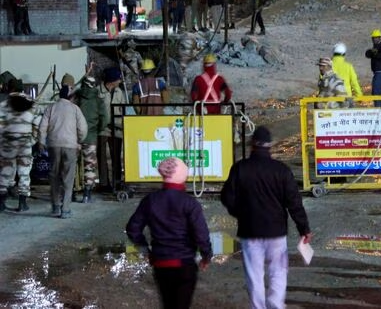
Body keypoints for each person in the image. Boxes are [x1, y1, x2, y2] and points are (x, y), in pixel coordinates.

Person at [221, 126, 312, 309]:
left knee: (254, 275)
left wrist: (240, 214)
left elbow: (226, 197)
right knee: (278, 272)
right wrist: (304, 229)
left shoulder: (240, 168)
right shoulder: (281, 170)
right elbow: (294, 203)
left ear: (252, 145)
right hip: (276, 232)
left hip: (250, 231)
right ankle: (276, 305)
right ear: (270, 146)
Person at [126, 157, 213, 309]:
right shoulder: (190, 203)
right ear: (184, 176)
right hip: (184, 264)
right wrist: (206, 255)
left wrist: (145, 250)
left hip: (161, 264)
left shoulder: (150, 200)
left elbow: (133, 228)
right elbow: (201, 234)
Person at [39, 85, 88, 218]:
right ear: (71, 97)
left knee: (54, 175)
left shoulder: (51, 108)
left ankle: (55, 206)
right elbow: (83, 128)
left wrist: (42, 142)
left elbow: (42, 126)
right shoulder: (75, 109)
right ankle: (65, 209)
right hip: (70, 146)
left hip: (54, 145)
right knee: (68, 177)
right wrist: (79, 141)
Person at [0, 81, 41, 212]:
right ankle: (22, 204)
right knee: (24, 173)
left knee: (5, 173)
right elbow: (37, 123)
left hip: (8, 144)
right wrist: (32, 139)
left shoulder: (4, 104)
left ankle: (1, 203)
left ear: (9, 88)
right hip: (25, 144)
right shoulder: (32, 104)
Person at [73, 76, 108, 203]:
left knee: (73, 165)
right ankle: (87, 194)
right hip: (91, 136)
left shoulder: (76, 97)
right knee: (90, 166)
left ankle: (72, 192)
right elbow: (105, 119)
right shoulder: (99, 100)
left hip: (75, 137)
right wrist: (97, 129)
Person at [97, 67, 126, 193]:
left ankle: (117, 182)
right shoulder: (98, 91)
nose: (120, 81)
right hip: (101, 128)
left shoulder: (119, 92)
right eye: (118, 79)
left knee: (116, 157)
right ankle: (104, 184)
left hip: (117, 128)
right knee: (101, 157)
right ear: (112, 80)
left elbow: (123, 109)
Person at [365, 29, 381, 107]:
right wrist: (372, 53)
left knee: (376, 92)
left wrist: (376, 54)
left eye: (376, 38)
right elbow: (367, 54)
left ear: (379, 38)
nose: (374, 39)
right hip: (379, 73)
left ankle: (378, 110)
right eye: (373, 38)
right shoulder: (375, 47)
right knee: (379, 92)